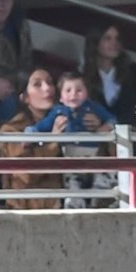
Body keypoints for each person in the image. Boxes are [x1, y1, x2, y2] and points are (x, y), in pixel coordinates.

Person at [28, 70, 115, 208]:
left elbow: (112, 120)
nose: (74, 94)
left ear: (87, 94)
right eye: (68, 90)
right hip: (71, 160)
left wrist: (104, 128)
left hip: (95, 158)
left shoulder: (93, 108)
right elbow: (41, 126)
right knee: (73, 185)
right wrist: (30, 134)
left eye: (79, 90)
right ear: (61, 97)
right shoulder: (58, 112)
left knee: (104, 178)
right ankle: (75, 206)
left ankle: (98, 202)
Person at [0, 67, 66, 210]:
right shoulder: (11, 130)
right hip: (28, 211)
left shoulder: (67, 118)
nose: (47, 88)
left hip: (70, 205)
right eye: (37, 84)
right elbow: (26, 173)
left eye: (50, 83)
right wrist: (53, 141)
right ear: (24, 97)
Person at [81, 24, 136, 131]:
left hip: (133, 136)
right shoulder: (83, 76)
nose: (114, 43)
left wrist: (114, 125)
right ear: (95, 43)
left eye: (117, 38)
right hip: (96, 137)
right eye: (107, 38)